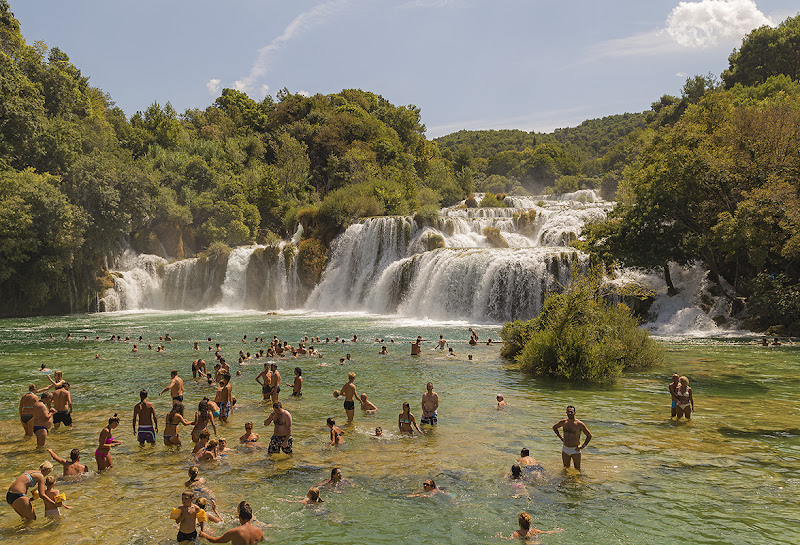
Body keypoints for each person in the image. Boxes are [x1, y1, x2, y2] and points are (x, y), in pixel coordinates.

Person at [199, 500, 264, 544]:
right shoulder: (259, 531)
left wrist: (204, 535)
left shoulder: (234, 532)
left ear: (239, 517)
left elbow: (216, 540)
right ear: (250, 517)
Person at [553, 405, 592, 470]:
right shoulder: (563, 422)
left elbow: (589, 435)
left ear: (575, 412)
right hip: (565, 449)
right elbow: (554, 427)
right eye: (568, 412)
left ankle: (578, 480)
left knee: (577, 469)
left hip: (575, 450)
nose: (570, 413)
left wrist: (583, 446)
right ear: (566, 413)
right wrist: (561, 438)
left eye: (571, 412)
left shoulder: (579, 424)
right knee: (565, 469)